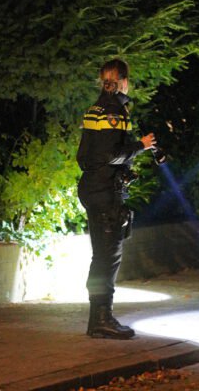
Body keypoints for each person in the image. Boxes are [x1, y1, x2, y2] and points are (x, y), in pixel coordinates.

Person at [77, 59, 156, 339]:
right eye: (128, 80)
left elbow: (84, 156)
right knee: (107, 257)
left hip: (93, 187)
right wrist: (140, 146)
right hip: (105, 191)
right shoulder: (115, 111)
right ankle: (101, 319)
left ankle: (98, 319)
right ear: (122, 81)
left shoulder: (96, 108)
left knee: (102, 255)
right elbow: (110, 154)